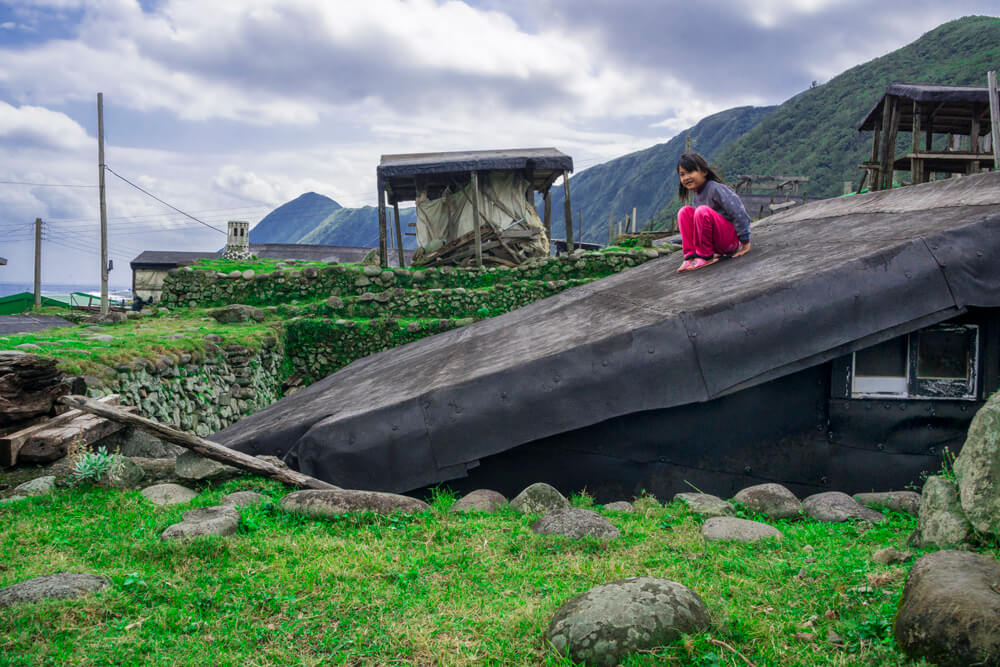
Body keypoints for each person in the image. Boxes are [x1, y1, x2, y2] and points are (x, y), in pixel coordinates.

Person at [674, 152, 752, 272]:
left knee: (701, 211)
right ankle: (690, 256)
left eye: (690, 172)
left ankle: (705, 256)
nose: (686, 177)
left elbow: (737, 211)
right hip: (717, 246)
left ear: (704, 172)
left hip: (730, 241)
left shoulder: (715, 188)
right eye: (682, 174)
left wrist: (745, 241)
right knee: (684, 212)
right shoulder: (696, 196)